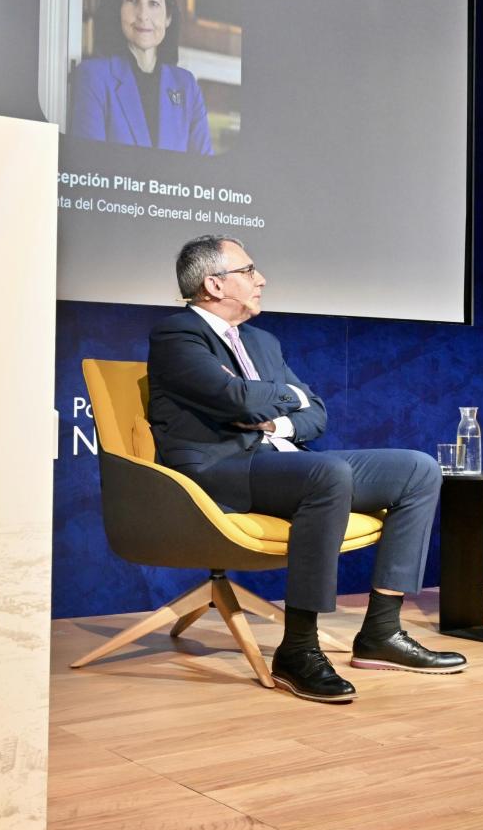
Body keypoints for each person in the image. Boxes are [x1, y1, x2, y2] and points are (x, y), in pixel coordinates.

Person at [146, 235, 464, 702]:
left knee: (417, 469)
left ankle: (381, 632)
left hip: (280, 462)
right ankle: (297, 650)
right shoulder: (177, 335)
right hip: (220, 470)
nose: (262, 280)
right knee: (327, 472)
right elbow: (233, 399)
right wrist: (276, 398)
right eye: (249, 271)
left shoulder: (261, 341)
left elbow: (315, 412)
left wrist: (278, 409)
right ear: (214, 284)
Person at [69, 0, 213, 155]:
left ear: (168, 17)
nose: (143, 15)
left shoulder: (187, 86)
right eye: (131, 0)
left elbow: (206, 177)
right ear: (117, 9)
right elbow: (89, 169)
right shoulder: (93, 78)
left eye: (153, 3)